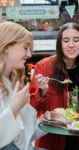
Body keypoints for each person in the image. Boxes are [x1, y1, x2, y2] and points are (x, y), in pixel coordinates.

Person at [29, 22, 79, 150]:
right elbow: (32, 107)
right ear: (59, 44)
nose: (71, 45)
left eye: (76, 40)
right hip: (50, 138)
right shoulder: (43, 67)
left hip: (78, 137)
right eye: (66, 40)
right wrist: (42, 91)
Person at [0, 21, 48, 150]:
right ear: (6, 46)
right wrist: (13, 109)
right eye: (25, 48)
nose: (29, 55)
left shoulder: (14, 81)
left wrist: (45, 121)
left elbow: (25, 137)